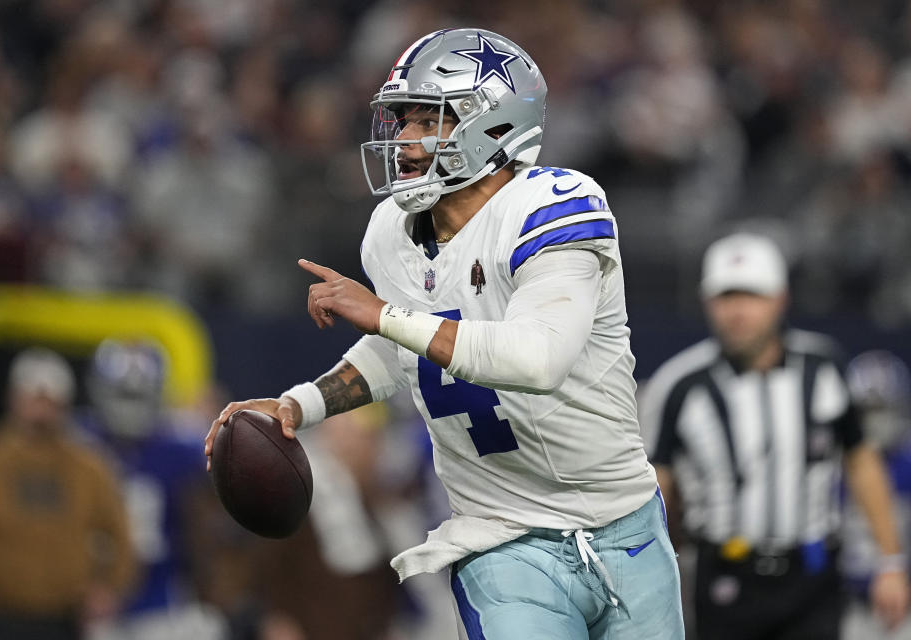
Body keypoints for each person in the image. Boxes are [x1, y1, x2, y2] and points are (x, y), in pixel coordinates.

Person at [206, 28, 685, 640]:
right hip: (501, 537)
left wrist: (382, 314)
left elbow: (538, 358)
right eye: (400, 122)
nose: (403, 142)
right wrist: (301, 403)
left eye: (426, 122)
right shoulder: (391, 231)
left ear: (494, 125)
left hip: (624, 526)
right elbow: (406, 350)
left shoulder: (557, 204)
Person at [640, 232, 910, 639]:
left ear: (780, 299)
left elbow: (861, 461)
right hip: (724, 575)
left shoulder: (823, 368)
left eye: (751, 295)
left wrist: (890, 561)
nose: (739, 311)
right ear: (707, 302)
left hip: (812, 577)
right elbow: (657, 485)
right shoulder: (680, 384)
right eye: (727, 296)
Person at [0, 348, 135, 640]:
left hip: (63, 619)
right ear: (14, 400)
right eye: (33, 399)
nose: (40, 411)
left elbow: (121, 536)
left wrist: (108, 589)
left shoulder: (88, 467)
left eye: (49, 401)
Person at [79, 339, 226, 640]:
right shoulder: (79, 444)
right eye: (123, 394)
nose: (130, 407)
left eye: (138, 396)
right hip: (92, 598)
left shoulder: (183, 449)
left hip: (163, 598)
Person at [841, 350, 911, 639]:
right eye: (866, 411)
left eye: (882, 408)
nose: (875, 420)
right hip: (847, 601)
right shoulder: (835, 465)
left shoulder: (906, 460)